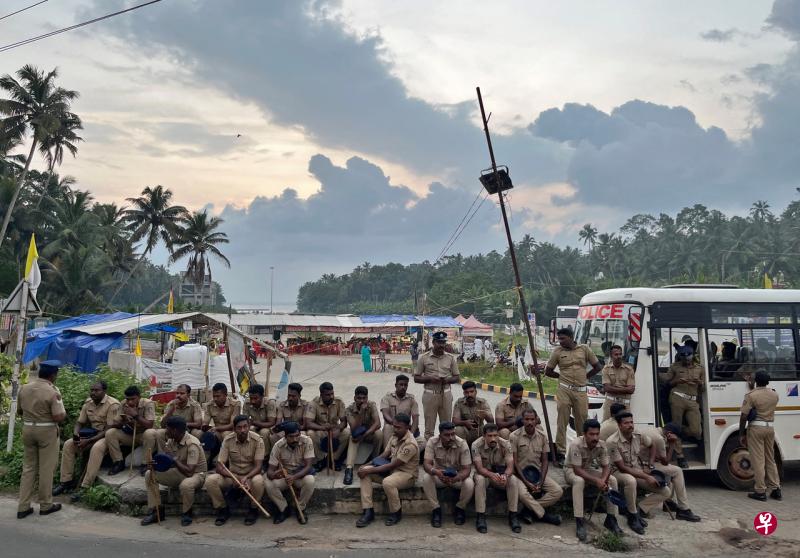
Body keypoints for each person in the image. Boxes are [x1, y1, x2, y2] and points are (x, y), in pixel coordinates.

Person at [17, 360, 67, 519]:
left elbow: (19, 411)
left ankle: (23, 507)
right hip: (46, 430)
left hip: (27, 429)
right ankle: (45, 505)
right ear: (53, 375)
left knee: (28, 469)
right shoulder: (53, 391)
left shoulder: (24, 388)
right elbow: (58, 416)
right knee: (46, 469)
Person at [544, 328, 602, 465]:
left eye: (563, 338)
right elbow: (548, 371)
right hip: (564, 389)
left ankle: (583, 453)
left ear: (571, 337)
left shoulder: (584, 349)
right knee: (562, 421)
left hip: (581, 391)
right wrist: (560, 376)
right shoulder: (558, 351)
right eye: (559, 339)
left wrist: (586, 377)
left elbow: (597, 366)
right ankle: (561, 453)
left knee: (582, 422)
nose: (561, 341)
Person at [53, 381, 119, 496]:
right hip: (91, 434)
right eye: (92, 390)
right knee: (69, 444)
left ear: (104, 391)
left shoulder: (112, 404)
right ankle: (66, 482)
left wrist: (88, 441)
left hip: (107, 435)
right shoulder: (88, 403)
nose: (93, 393)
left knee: (96, 448)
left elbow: (108, 429)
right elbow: (79, 423)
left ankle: (85, 486)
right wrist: (76, 435)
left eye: (96, 390)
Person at [564, 419, 624, 542]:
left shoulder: (601, 444)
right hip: (571, 470)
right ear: (584, 434)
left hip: (587, 469)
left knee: (612, 480)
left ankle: (611, 518)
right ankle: (579, 521)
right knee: (579, 481)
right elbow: (577, 470)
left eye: (597, 434)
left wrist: (603, 480)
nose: (595, 437)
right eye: (591, 434)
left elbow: (606, 466)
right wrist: (597, 481)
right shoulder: (576, 444)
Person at [140, 416, 207, 526]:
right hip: (180, 471)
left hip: (197, 475)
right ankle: (156, 511)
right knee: (149, 474)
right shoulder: (171, 440)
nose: (165, 431)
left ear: (174, 430)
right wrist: (154, 465)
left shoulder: (192, 444)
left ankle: (187, 513)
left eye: (167, 428)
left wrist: (174, 460)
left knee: (186, 485)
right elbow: (167, 463)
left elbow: (190, 472)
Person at [356, 413, 419, 528]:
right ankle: (368, 511)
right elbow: (384, 455)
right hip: (392, 471)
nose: (395, 429)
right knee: (364, 472)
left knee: (387, 482)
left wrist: (370, 470)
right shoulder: (395, 436)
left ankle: (396, 512)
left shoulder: (410, 444)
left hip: (407, 475)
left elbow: (393, 465)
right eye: (394, 426)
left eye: (398, 427)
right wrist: (366, 465)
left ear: (407, 427)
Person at [203, 415, 265, 526]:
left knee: (259, 481)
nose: (243, 430)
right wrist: (234, 478)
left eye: (245, 427)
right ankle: (223, 509)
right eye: (239, 427)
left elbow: (258, 467)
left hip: (250, 476)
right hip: (232, 476)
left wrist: (246, 478)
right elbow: (219, 466)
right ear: (234, 429)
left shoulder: (258, 440)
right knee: (210, 480)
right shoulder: (228, 440)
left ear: (249, 426)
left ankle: (253, 509)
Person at [606, 412, 662, 535]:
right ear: (619, 425)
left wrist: (650, 465)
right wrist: (647, 476)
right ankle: (632, 516)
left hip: (637, 470)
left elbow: (652, 445)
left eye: (631, 422)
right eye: (626, 423)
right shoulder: (612, 441)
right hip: (617, 472)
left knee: (665, 491)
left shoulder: (638, 435)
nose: (630, 425)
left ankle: (639, 509)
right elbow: (622, 468)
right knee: (630, 480)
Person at [638, 423, 701, 522]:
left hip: (642, 462)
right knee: (677, 471)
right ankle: (684, 509)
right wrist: (672, 444)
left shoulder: (653, 430)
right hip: (644, 466)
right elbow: (666, 461)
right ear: (670, 434)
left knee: (671, 471)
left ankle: (669, 502)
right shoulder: (659, 439)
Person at [510, 409, 563, 525]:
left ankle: (529, 510)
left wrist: (541, 481)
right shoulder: (514, 436)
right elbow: (514, 462)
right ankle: (544, 515)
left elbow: (544, 461)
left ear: (536, 420)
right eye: (527, 419)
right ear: (522, 420)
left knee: (557, 491)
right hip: (520, 475)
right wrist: (527, 482)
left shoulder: (542, 436)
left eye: (532, 419)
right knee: (523, 494)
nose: (530, 422)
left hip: (537, 474)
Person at [422, 421, 474, 528]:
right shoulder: (432, 442)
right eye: (447, 435)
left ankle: (460, 509)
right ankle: (435, 510)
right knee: (427, 478)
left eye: (452, 434)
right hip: (439, 476)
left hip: (456, 477)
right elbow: (426, 464)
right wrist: (436, 472)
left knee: (469, 483)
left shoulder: (462, 444)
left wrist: (457, 477)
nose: (450, 437)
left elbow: (467, 469)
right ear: (440, 435)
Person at [472, 424, 522, 533]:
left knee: (513, 480)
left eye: (495, 435)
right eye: (489, 436)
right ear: (484, 436)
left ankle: (513, 515)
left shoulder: (506, 444)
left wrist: (505, 475)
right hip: (484, 474)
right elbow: (479, 468)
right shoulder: (476, 445)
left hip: (500, 474)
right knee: (479, 480)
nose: (493, 439)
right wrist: (491, 475)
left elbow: (510, 467)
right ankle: (480, 516)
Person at [740, 370, 781, 502]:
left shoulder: (751, 395)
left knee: (758, 460)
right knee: (770, 459)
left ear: (756, 381)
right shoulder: (774, 394)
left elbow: (744, 415)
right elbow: (761, 396)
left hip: (756, 428)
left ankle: (760, 491)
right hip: (770, 428)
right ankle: (776, 489)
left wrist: (742, 432)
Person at [264, 421, 315, 524]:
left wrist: (294, 477)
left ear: (300, 434)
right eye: (291, 437)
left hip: (299, 476)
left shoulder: (307, 441)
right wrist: (274, 474)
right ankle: (283, 509)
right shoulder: (278, 446)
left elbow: (308, 466)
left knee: (310, 480)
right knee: (267, 482)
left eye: (297, 436)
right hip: (285, 477)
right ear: (285, 436)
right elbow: (270, 471)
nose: (295, 439)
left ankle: (300, 508)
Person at [414, 331, 460, 440]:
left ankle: (446, 450)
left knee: (447, 426)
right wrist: (430, 378)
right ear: (433, 342)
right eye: (439, 342)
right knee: (429, 427)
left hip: (446, 394)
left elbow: (457, 377)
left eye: (443, 342)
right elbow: (416, 378)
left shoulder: (450, 358)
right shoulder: (424, 358)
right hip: (430, 395)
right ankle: (428, 451)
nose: (441, 345)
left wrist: (447, 380)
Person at [105, 385, 156, 476]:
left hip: (143, 435)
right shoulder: (124, 403)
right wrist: (124, 421)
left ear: (139, 397)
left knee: (150, 433)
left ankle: (145, 464)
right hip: (130, 434)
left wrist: (136, 416)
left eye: (133, 399)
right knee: (110, 433)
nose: (130, 402)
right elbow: (115, 423)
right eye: (128, 399)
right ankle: (118, 462)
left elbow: (150, 425)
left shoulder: (148, 403)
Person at [661, 345, 704, 441]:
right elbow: (666, 382)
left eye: (688, 356)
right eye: (683, 356)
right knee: (676, 425)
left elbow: (703, 388)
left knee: (696, 431)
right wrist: (677, 381)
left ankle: (675, 432)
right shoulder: (675, 366)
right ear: (680, 356)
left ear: (692, 355)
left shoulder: (700, 368)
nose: (686, 358)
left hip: (693, 400)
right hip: (677, 398)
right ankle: (679, 452)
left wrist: (700, 383)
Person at [305, 382, 349, 471]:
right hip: (320, 430)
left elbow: (344, 422)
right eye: (328, 395)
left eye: (332, 393)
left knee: (347, 432)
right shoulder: (313, 403)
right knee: (310, 433)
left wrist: (338, 429)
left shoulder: (338, 401)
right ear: (321, 394)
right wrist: (323, 428)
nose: (331, 396)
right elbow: (308, 423)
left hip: (334, 430)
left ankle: (333, 459)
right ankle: (321, 460)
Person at [343, 386, 382, 485]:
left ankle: (375, 460)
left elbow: (378, 423)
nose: (362, 400)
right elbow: (354, 429)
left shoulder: (371, 405)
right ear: (354, 398)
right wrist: (360, 413)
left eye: (364, 398)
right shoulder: (349, 410)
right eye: (359, 398)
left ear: (367, 398)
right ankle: (349, 469)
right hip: (357, 435)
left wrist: (364, 435)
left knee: (379, 434)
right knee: (353, 438)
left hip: (368, 433)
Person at [380, 374, 422, 448]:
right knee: (387, 427)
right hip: (392, 427)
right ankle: (388, 454)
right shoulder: (387, 398)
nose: (403, 387)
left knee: (423, 442)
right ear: (396, 385)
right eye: (401, 384)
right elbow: (385, 414)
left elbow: (415, 419)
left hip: (405, 429)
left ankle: (403, 454)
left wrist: (411, 434)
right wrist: (396, 424)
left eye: (405, 385)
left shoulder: (411, 400)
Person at [452, 381, 493, 446]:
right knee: (458, 430)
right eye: (466, 392)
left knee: (489, 431)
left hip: (479, 431)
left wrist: (485, 415)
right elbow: (454, 421)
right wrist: (465, 422)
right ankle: (464, 450)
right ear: (464, 393)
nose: (469, 395)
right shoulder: (459, 403)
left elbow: (491, 422)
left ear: (476, 392)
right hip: (466, 431)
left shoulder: (482, 403)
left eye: (471, 392)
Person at [601, 345, 635, 420]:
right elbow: (607, 388)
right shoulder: (606, 369)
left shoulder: (629, 369)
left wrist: (613, 388)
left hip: (624, 404)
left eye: (620, 354)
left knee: (625, 426)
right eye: (616, 354)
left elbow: (631, 390)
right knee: (606, 426)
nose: (619, 356)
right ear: (611, 356)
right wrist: (624, 389)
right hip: (610, 403)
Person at [242, 383, 277, 456]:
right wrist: (251, 424)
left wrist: (253, 422)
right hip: (255, 426)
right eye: (251, 398)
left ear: (262, 396)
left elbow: (271, 423)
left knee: (264, 432)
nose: (253, 401)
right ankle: (250, 454)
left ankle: (265, 456)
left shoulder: (270, 402)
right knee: (250, 430)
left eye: (255, 398)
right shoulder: (247, 403)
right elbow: (244, 420)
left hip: (268, 427)